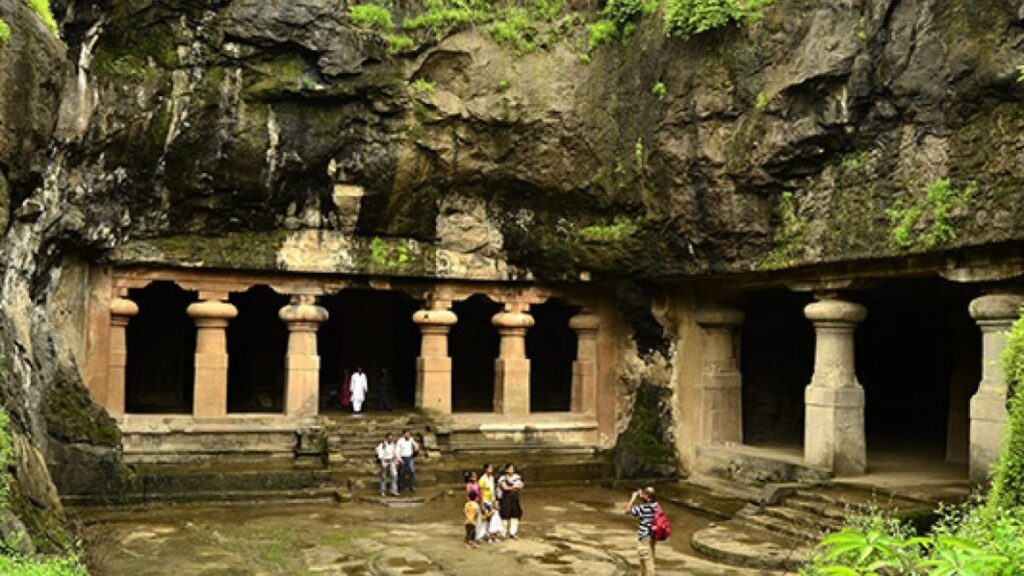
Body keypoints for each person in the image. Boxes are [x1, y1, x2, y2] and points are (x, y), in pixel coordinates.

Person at [625, 486, 659, 576]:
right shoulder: (655, 505)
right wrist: (641, 494)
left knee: (647, 561)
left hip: (644, 537)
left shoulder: (643, 508)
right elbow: (647, 498)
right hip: (652, 536)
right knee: (647, 559)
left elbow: (627, 511)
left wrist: (633, 498)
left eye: (644, 494)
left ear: (647, 497)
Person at [498, 463, 525, 539]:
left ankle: (513, 533)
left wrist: (511, 487)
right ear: (506, 470)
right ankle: (503, 533)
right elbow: (505, 488)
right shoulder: (502, 478)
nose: (511, 470)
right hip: (506, 499)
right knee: (505, 516)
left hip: (515, 499)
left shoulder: (517, 477)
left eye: (512, 468)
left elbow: (521, 486)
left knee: (515, 515)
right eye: (510, 468)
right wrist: (515, 487)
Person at [477, 463, 502, 542]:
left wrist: (495, 501)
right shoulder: (482, 479)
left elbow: (492, 490)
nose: (491, 469)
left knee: (492, 518)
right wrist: (482, 504)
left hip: (491, 500)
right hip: (485, 501)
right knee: (484, 518)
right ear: (486, 469)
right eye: (490, 468)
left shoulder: (491, 478)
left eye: (492, 468)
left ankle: (490, 534)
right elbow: (480, 493)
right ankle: (481, 534)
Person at [375, 432, 400, 497]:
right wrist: (382, 462)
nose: (390, 439)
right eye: (389, 438)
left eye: (391, 438)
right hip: (385, 460)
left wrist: (396, 460)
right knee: (383, 477)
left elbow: (394, 453)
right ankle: (382, 491)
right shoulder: (382, 445)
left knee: (394, 475)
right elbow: (381, 454)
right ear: (386, 438)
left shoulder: (393, 445)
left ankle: (393, 490)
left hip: (391, 461)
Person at [395, 429, 420, 493]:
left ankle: (411, 486)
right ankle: (400, 486)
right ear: (403, 434)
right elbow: (397, 451)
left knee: (412, 471)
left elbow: (416, 445)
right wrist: (399, 459)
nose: (407, 435)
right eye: (406, 434)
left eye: (408, 434)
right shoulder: (400, 441)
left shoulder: (411, 439)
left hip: (409, 457)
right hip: (402, 457)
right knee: (401, 472)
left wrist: (416, 447)